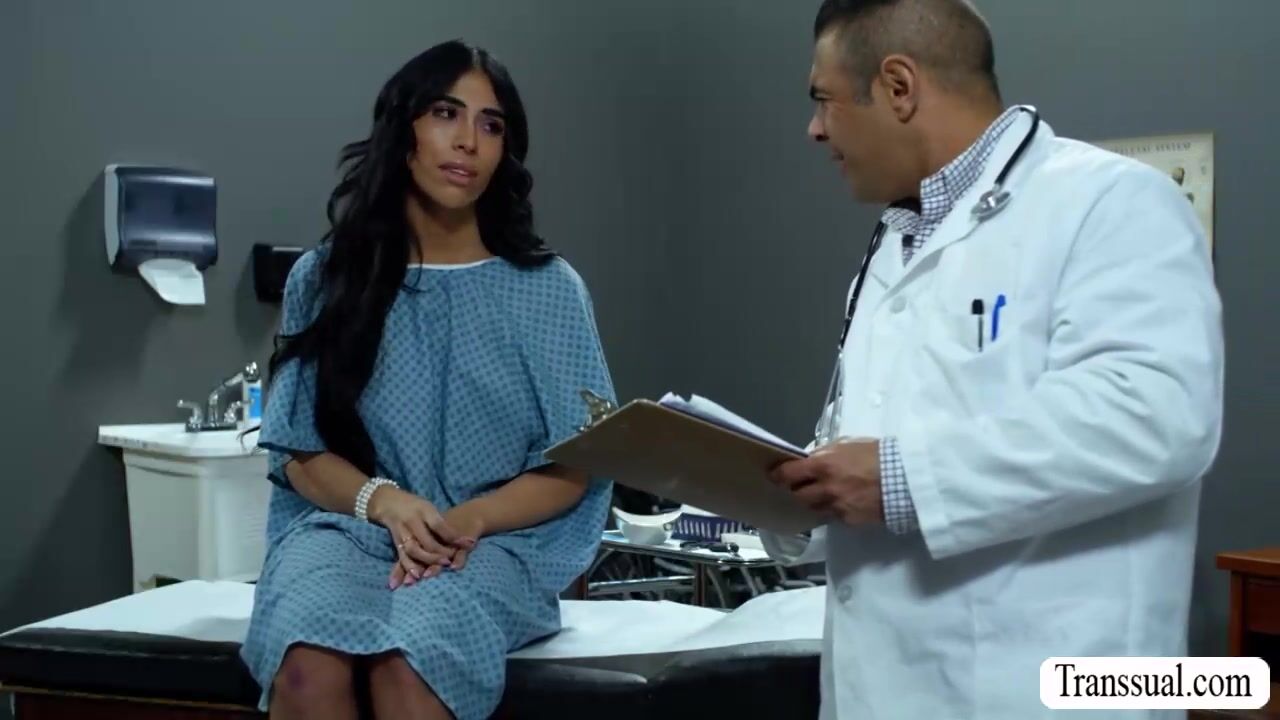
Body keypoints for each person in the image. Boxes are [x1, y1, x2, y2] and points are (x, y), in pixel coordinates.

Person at [763, 1, 1224, 718]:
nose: (814, 129)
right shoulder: (893, 247)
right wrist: (798, 499)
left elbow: (1156, 415)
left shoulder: (1112, 201)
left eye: (823, 100)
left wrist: (899, 479)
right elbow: (884, 449)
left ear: (898, 87)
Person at [240, 40, 616, 720]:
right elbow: (298, 452)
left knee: (410, 664)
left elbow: (576, 465)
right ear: (403, 129)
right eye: (446, 113)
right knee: (305, 667)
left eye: (491, 124)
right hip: (348, 529)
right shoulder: (323, 278)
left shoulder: (549, 291)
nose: (468, 140)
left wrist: (467, 520)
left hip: (492, 541)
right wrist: (383, 502)